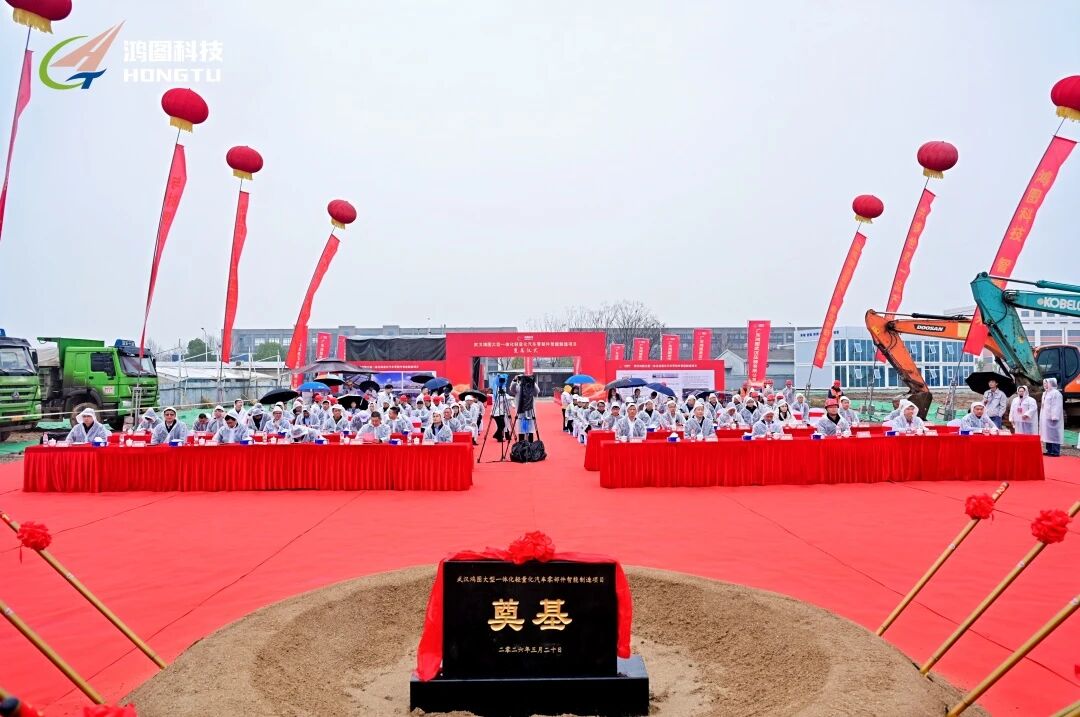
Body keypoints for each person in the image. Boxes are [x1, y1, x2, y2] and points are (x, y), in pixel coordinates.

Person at [1039, 377, 1063, 457]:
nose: (1045, 385)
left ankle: (1055, 451)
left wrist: (1054, 416)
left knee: (1054, 434)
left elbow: (1057, 405)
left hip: (1053, 417)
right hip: (1045, 417)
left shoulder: (1056, 393)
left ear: (1051, 384)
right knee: (1047, 433)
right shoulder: (1045, 393)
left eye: (1046, 383)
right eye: (1044, 383)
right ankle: (1049, 450)